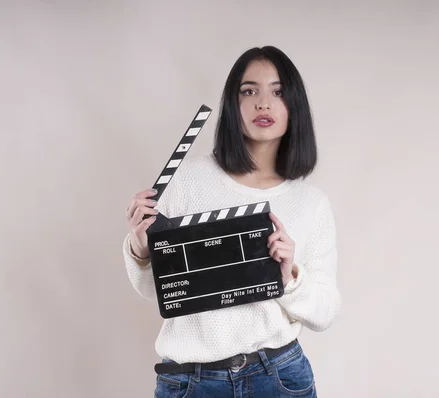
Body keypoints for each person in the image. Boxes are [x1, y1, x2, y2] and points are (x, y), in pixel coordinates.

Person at [123, 45, 341, 398]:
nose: (263, 103)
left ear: (294, 106)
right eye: (249, 91)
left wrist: (291, 277)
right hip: (191, 380)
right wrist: (140, 248)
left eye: (278, 91)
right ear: (232, 104)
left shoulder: (311, 204)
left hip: (278, 377)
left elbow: (326, 311)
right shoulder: (188, 182)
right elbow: (155, 290)